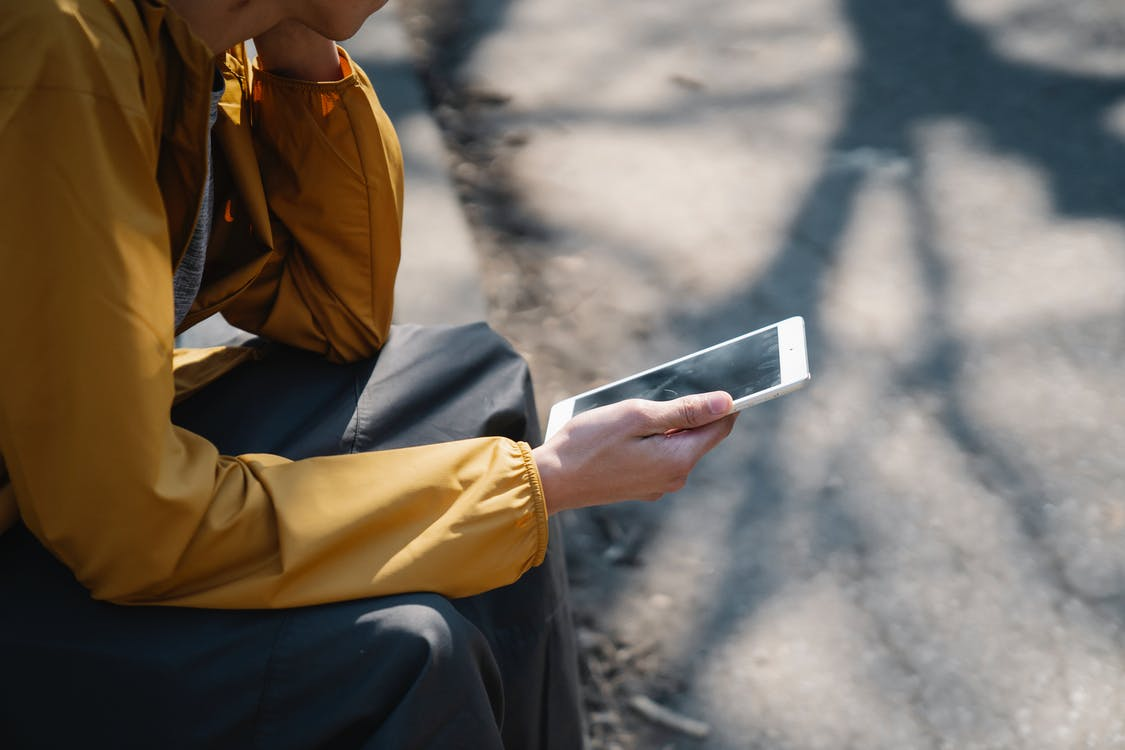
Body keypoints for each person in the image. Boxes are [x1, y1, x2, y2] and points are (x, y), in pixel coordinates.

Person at [0, 0, 738, 746]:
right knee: (408, 654)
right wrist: (541, 482)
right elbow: (127, 524)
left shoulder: (193, 39)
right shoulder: (61, 57)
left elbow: (335, 315)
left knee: (470, 378)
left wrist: (295, 47)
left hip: (63, 478)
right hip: (52, 529)